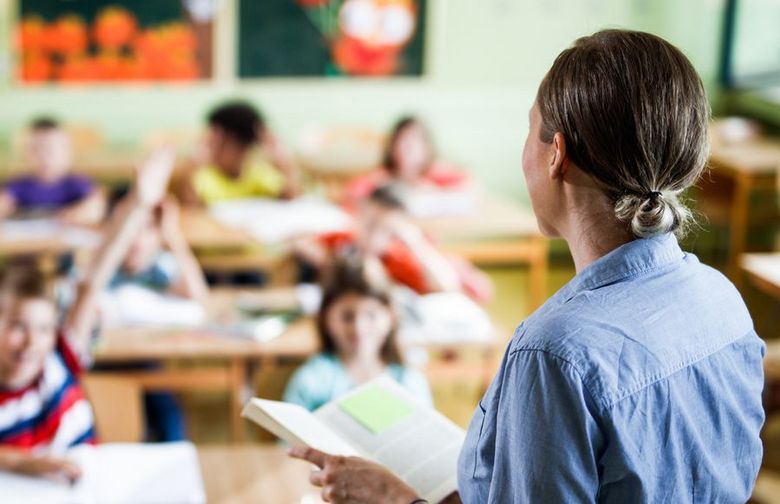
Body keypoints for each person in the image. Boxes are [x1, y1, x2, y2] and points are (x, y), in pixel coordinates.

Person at [288, 30, 765, 503]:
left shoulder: (553, 354)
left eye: (528, 129)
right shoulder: (722, 298)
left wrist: (395, 498)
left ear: (557, 154)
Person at [0, 150, 176, 482]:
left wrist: (138, 204)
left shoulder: (60, 359)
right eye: (16, 327)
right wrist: (24, 462)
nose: (31, 342)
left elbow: (93, 280)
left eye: (43, 328)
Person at [294, 184, 492, 303]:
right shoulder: (344, 241)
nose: (373, 237)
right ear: (359, 215)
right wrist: (331, 261)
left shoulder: (395, 259)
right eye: (370, 225)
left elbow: (446, 287)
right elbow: (300, 243)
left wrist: (415, 243)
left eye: (385, 231)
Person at [283, 254, 431, 411]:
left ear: (390, 316)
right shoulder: (311, 379)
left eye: (371, 315)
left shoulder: (408, 380)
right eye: (347, 317)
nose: (358, 328)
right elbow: (285, 433)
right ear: (325, 318)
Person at [180, 101, 299, 206]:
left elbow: (291, 197)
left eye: (222, 144)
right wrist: (193, 164)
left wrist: (283, 162)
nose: (215, 151)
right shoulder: (204, 176)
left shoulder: (258, 174)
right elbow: (190, 206)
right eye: (212, 144)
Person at [342, 116, 472, 211]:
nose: (408, 149)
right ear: (392, 147)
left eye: (415, 142)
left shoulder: (435, 172)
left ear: (427, 148)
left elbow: (470, 186)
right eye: (402, 142)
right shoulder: (382, 177)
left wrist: (435, 191)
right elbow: (352, 194)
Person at [0, 117, 106, 226]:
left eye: (51, 149)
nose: (43, 156)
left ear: (67, 152)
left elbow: (95, 210)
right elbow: (3, 203)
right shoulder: (19, 184)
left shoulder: (77, 183)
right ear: (25, 153)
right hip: (28, 240)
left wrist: (74, 215)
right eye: (36, 149)